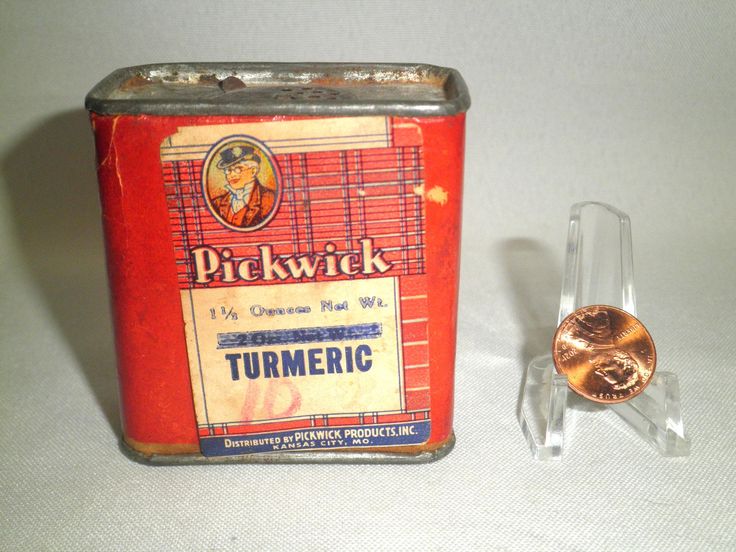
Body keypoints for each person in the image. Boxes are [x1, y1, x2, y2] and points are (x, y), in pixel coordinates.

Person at [210, 145, 275, 228]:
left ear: (253, 171)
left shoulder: (268, 199)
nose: (232, 175)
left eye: (238, 169)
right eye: (228, 170)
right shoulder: (217, 203)